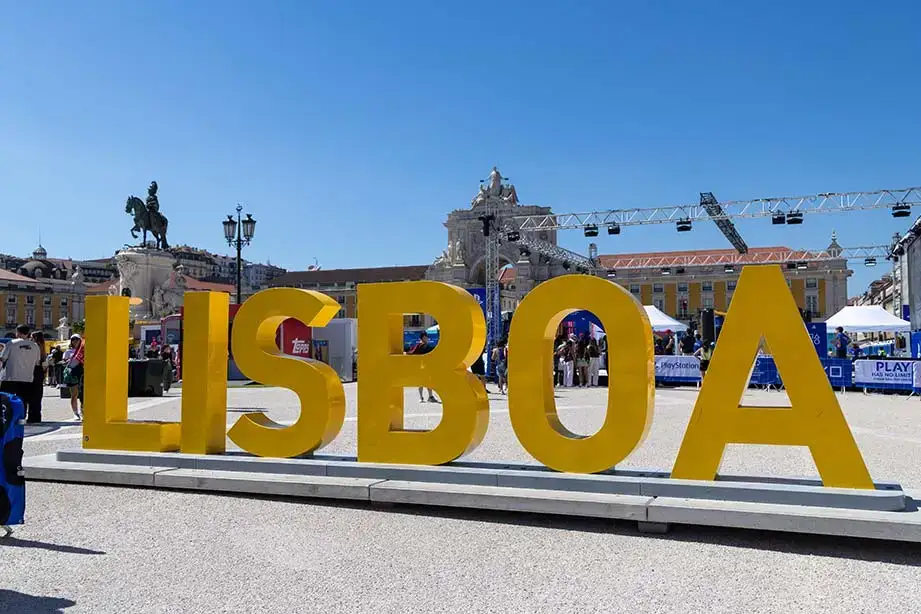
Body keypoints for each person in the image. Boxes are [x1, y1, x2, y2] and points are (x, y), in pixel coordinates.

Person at [0, 325, 42, 423]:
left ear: (17, 332)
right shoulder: (35, 346)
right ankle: (21, 418)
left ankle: (7, 418)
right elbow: (37, 362)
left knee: (6, 399)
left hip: (10, 377)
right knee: (23, 400)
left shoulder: (11, 343)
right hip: (27, 378)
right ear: (28, 333)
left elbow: (3, 358)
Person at [408, 332, 437, 402]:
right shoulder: (422, 346)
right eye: (426, 337)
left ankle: (424, 397)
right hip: (423, 367)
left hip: (423, 367)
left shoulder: (421, 346)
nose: (427, 338)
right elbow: (412, 353)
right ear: (423, 338)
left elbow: (412, 353)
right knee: (426, 382)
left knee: (423, 382)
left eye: (427, 337)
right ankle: (427, 397)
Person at [62, 334, 84, 420]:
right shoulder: (68, 352)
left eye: (77, 339)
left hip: (82, 373)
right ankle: (75, 413)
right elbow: (63, 363)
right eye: (73, 339)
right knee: (74, 395)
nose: (75, 341)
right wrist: (67, 361)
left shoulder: (84, 350)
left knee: (83, 394)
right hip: (73, 374)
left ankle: (82, 412)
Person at [29, 331, 47, 423]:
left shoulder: (33, 346)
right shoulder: (43, 346)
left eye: (32, 337)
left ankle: (31, 415)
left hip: (33, 370)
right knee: (38, 395)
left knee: (31, 394)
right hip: (40, 372)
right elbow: (44, 362)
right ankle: (37, 415)